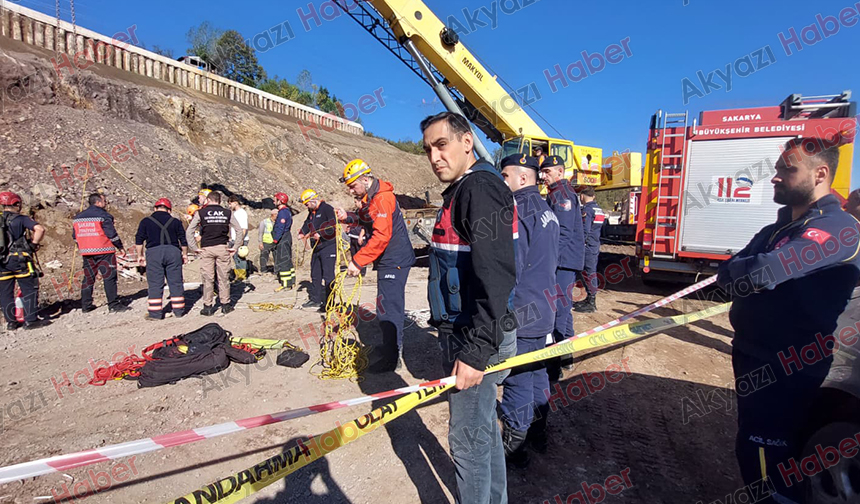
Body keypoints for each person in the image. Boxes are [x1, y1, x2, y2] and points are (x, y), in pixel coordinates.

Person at [717, 137, 860, 504]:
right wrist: (746, 271)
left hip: (787, 363)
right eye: (777, 168)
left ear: (820, 175)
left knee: (767, 455)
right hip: (751, 353)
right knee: (753, 445)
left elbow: (761, 270)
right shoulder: (778, 228)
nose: (775, 177)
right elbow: (728, 272)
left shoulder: (838, 227)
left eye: (787, 169)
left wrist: (747, 272)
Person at [421, 111, 516, 503]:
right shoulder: (467, 188)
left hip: (474, 336)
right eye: (428, 149)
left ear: (467, 141)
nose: (434, 157)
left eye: (441, 145)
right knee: (483, 430)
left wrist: (476, 352)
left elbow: (495, 276)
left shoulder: (479, 189)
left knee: (468, 440)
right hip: (472, 331)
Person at [499, 154, 559, 469]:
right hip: (544, 306)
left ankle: (514, 446)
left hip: (523, 310)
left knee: (518, 378)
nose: (502, 182)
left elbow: (513, 269)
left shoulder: (518, 211)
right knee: (537, 373)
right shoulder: (547, 211)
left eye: (505, 176)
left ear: (522, 178)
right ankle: (538, 433)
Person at [335, 159, 416, 372]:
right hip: (388, 259)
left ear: (365, 179)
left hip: (395, 260)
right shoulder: (372, 197)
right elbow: (366, 218)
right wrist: (349, 218)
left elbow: (381, 236)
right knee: (384, 305)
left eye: (353, 185)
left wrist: (358, 261)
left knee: (389, 309)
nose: (351, 190)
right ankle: (389, 347)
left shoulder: (382, 198)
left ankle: (392, 358)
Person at [540, 155, 585, 379]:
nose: (543, 176)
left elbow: (563, 233)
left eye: (547, 172)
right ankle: (566, 356)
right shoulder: (557, 193)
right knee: (563, 307)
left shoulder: (563, 195)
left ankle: (556, 363)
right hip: (563, 260)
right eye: (542, 172)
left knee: (559, 309)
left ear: (560, 171)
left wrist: (548, 259)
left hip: (563, 261)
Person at [185, 191, 244, 315]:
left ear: (208, 200)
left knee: (208, 278)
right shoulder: (227, 213)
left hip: (206, 249)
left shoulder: (201, 213)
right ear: (219, 200)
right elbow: (239, 230)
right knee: (224, 277)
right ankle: (225, 305)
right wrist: (236, 246)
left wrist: (194, 247)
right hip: (222, 248)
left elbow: (189, 231)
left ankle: (207, 307)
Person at [72, 193, 130, 313]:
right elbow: (111, 234)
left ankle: (86, 305)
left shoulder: (78, 218)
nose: (106, 203)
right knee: (109, 277)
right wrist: (120, 247)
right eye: (104, 201)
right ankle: (113, 304)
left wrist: (82, 246)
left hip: (87, 252)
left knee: (88, 278)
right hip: (104, 250)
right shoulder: (104, 215)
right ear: (98, 202)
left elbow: (74, 236)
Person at [0, 192, 49, 330]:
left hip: (2, 262)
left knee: (5, 293)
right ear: (16, 204)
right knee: (29, 289)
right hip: (19, 259)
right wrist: (33, 244)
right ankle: (31, 320)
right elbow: (40, 229)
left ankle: (11, 322)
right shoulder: (21, 219)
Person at [135, 198, 188, 320]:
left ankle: (155, 313)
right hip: (173, 252)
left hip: (154, 253)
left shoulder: (146, 221)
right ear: (169, 210)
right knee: (175, 282)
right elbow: (183, 240)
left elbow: (139, 240)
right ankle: (179, 311)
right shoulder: (175, 221)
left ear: (155, 208)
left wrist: (140, 255)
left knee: (155, 283)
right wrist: (184, 254)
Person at [297, 189, 337, 310]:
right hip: (317, 247)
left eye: (307, 204)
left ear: (313, 200)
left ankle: (330, 302)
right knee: (315, 274)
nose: (306, 206)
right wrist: (302, 232)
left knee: (328, 276)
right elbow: (307, 223)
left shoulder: (327, 209)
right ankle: (315, 299)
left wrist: (321, 234)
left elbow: (333, 225)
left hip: (328, 246)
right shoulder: (312, 212)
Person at [574, 186, 605, 313]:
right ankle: (589, 299)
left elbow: (584, 230)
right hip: (594, 245)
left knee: (588, 273)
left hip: (587, 246)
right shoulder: (599, 210)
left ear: (582, 196)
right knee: (589, 272)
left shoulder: (587, 210)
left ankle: (591, 303)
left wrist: (579, 244)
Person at [272, 192, 295, 292]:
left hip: (283, 238)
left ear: (280, 201)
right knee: (288, 260)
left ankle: (286, 284)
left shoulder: (282, 213)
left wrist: (275, 240)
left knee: (283, 260)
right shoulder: (287, 211)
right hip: (286, 237)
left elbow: (280, 227)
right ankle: (292, 281)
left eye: (275, 199)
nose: (274, 201)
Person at [227, 195, 250, 281]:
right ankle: (238, 274)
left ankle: (241, 276)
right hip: (234, 239)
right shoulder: (235, 213)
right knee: (236, 258)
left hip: (240, 239)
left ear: (235, 203)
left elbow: (244, 228)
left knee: (240, 258)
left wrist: (241, 239)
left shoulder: (241, 213)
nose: (229, 206)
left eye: (230, 203)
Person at [258, 209, 277, 274]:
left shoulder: (278, 222)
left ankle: (276, 270)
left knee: (276, 256)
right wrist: (260, 242)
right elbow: (260, 233)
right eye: (276, 214)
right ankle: (263, 270)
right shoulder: (264, 222)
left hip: (275, 242)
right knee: (264, 256)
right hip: (266, 242)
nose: (277, 216)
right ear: (272, 215)